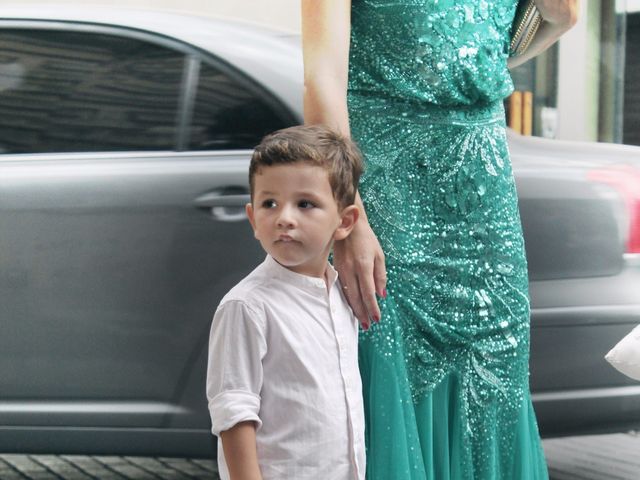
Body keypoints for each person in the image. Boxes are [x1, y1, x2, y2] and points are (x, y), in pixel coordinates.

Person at [301, 1, 578, 479]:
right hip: (388, 191)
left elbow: (554, 21)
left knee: (496, 384)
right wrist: (349, 219)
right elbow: (321, 85)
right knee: (393, 374)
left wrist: (557, 13)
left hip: (483, 195)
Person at [206, 125, 366, 480]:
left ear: (344, 222)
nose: (284, 218)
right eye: (269, 203)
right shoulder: (246, 306)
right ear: (253, 219)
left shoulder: (342, 297)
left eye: (305, 204)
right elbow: (233, 409)